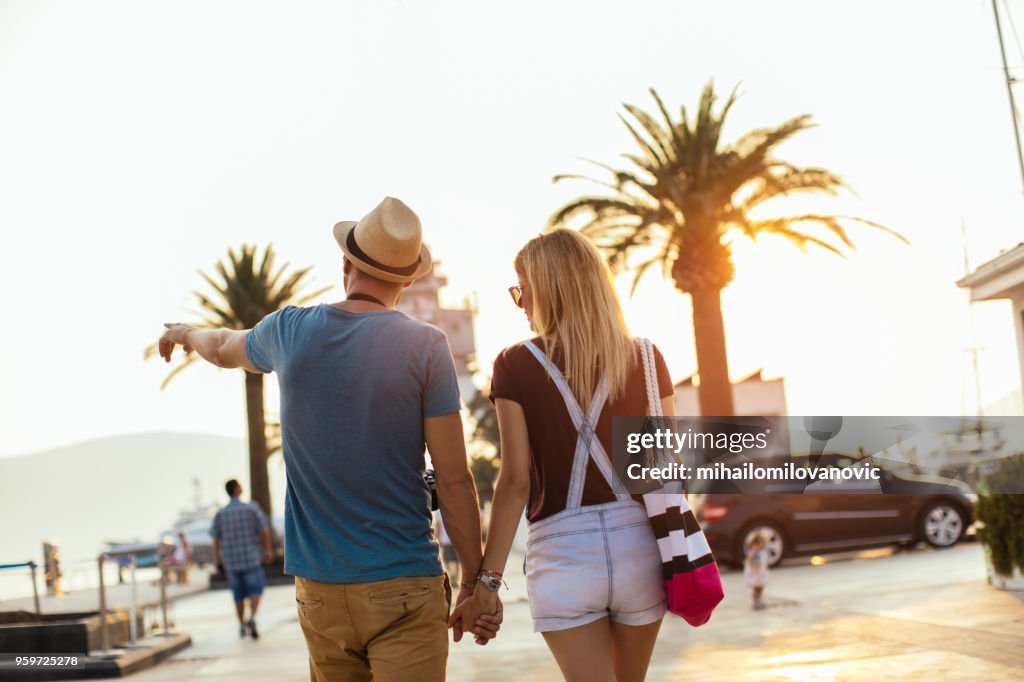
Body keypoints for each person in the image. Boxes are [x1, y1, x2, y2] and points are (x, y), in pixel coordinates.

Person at [159, 197, 500, 680]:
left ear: (346, 263)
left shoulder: (288, 330)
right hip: (403, 582)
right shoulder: (426, 346)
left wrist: (184, 331)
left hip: (319, 593)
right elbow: (454, 479)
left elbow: (219, 346)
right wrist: (474, 582)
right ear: (407, 281)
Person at [450, 229, 676, 682]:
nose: (522, 304)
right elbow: (665, 467)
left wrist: (484, 586)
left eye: (522, 290)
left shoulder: (515, 364)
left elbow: (515, 482)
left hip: (563, 554)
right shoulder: (646, 358)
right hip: (638, 550)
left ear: (549, 288)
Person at [212, 479, 273, 639]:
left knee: (237, 595)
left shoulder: (220, 513)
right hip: (251, 558)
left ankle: (241, 625)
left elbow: (216, 539)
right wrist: (267, 551)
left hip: (231, 561)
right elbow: (264, 531)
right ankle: (252, 618)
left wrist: (218, 560)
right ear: (237, 489)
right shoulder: (251, 508)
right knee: (255, 590)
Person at [744, 532, 770, 610]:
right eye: (763, 543)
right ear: (758, 543)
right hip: (756, 572)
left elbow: (764, 559)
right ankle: (755, 601)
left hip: (761, 571)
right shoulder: (754, 550)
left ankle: (760, 599)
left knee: (761, 586)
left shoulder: (763, 551)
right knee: (756, 587)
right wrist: (753, 565)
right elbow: (749, 560)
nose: (765, 545)